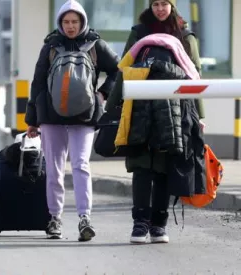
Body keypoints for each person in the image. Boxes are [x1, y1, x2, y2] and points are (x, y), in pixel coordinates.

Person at [105, 0, 206, 244]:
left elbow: (195, 76)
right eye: (156, 4)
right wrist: (112, 108)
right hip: (139, 110)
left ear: (172, 6)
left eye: (164, 4)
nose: (160, 9)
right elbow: (124, 70)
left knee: (162, 168)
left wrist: (199, 117)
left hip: (175, 113)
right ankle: (139, 224)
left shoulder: (184, 35)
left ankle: (159, 225)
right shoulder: (138, 34)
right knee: (141, 167)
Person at [25, 0, 120, 241]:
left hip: (84, 114)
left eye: (74, 22)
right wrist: (32, 119)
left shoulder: (96, 44)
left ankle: (84, 218)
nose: (70, 26)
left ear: (82, 21)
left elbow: (119, 71)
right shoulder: (50, 46)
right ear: (60, 23)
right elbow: (37, 82)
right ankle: (55, 218)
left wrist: (103, 93)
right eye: (66, 22)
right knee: (55, 170)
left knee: (80, 165)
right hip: (50, 116)